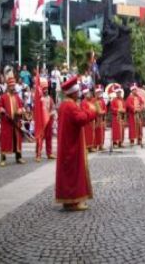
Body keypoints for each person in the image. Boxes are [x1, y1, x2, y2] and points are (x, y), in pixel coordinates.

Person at [55, 76, 97, 211]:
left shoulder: (64, 104)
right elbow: (81, 119)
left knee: (68, 172)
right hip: (72, 144)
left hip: (66, 143)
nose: (79, 93)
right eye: (77, 91)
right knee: (74, 172)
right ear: (73, 92)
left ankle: (67, 200)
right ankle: (73, 201)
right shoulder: (71, 105)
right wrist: (92, 112)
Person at [0, 77, 25, 167]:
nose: (13, 87)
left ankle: (18, 157)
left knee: (17, 140)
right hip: (7, 122)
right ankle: (3, 159)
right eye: (11, 86)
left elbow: (22, 107)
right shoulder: (3, 97)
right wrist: (1, 109)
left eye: (14, 86)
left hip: (16, 122)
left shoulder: (17, 97)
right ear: (8, 87)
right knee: (5, 140)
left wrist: (20, 111)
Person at [35, 78, 56, 162]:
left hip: (49, 120)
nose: (46, 91)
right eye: (44, 89)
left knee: (49, 137)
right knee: (40, 138)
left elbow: (53, 108)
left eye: (47, 89)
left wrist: (52, 114)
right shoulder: (39, 100)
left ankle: (49, 153)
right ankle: (38, 154)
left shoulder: (50, 99)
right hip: (41, 121)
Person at [81, 86, 96, 152]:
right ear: (84, 94)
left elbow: (95, 109)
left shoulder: (92, 101)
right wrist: (91, 114)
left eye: (89, 93)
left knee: (91, 133)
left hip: (92, 120)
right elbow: (85, 111)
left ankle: (91, 146)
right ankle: (86, 147)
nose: (89, 94)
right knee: (86, 134)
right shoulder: (83, 102)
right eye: (88, 93)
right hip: (87, 121)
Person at [93, 85, 107, 151]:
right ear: (95, 93)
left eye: (100, 92)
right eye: (97, 92)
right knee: (96, 132)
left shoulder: (102, 100)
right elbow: (92, 109)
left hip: (102, 118)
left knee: (102, 132)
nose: (99, 94)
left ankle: (101, 145)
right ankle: (95, 145)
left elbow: (105, 108)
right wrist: (98, 112)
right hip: (96, 119)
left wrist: (103, 112)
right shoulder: (93, 100)